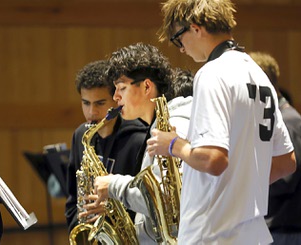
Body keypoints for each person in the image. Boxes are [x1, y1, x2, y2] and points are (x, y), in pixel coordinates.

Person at [145, 0, 297, 244]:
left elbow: (214, 159)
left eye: (178, 39)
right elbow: (286, 162)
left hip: (213, 233)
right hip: (253, 233)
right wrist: (241, 183)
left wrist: (173, 144)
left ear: (195, 29)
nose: (181, 49)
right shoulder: (258, 73)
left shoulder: (212, 73)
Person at [91, 43, 194, 244]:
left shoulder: (173, 125)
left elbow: (166, 202)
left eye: (121, 87)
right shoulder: (161, 124)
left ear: (147, 86)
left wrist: (112, 184)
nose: (115, 97)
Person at [65, 60, 148, 233]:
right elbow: (73, 197)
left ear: (116, 100)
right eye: (86, 103)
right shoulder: (81, 135)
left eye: (100, 103)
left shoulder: (138, 140)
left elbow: (147, 203)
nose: (91, 112)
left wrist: (113, 211)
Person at [249, 51, 301, 245]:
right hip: (279, 228)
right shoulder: (283, 119)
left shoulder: (289, 121)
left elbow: (285, 177)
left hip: (285, 230)